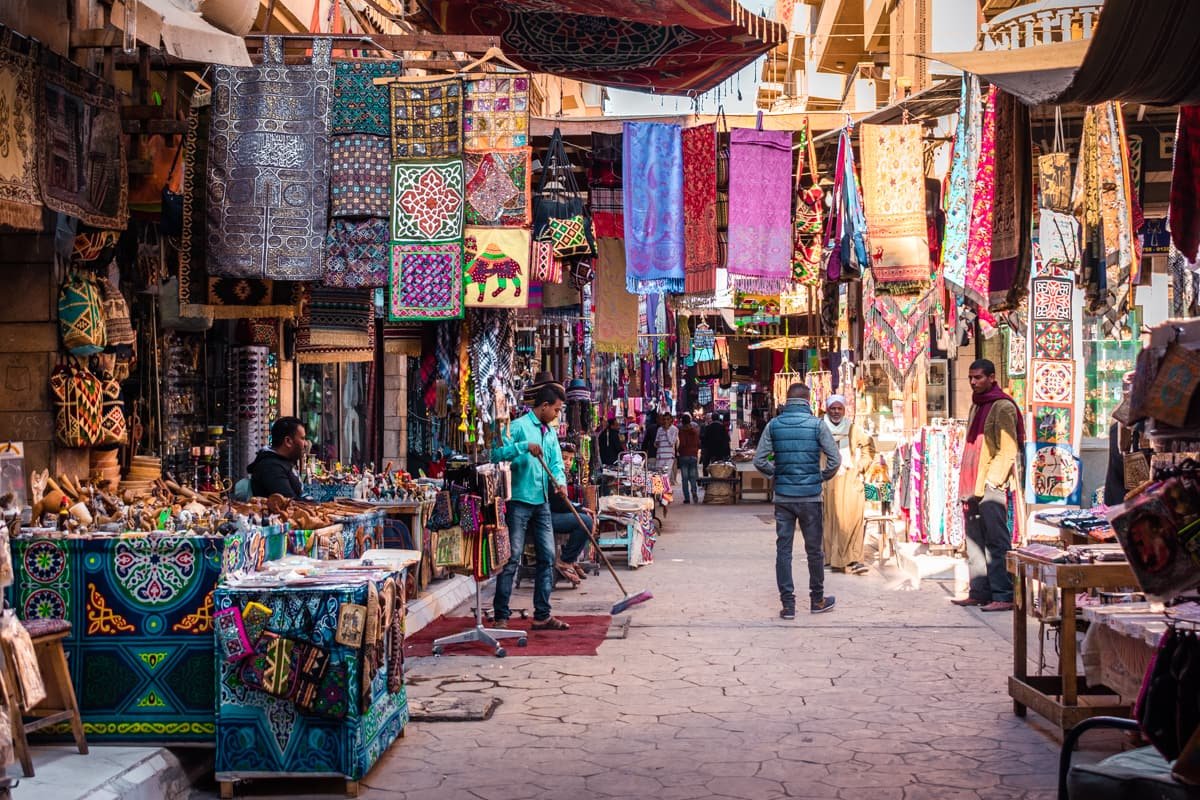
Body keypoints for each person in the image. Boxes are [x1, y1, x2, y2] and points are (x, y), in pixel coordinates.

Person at [753, 384, 840, 619]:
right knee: (814, 551)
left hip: (783, 498)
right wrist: (820, 478)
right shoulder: (817, 425)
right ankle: (817, 600)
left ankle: (788, 605)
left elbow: (759, 460)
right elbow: (835, 459)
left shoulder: (774, 425)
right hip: (811, 497)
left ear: (787, 400)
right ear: (808, 400)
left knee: (784, 551)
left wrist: (776, 474)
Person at [491, 378, 572, 631]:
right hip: (519, 502)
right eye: (556, 409)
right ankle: (501, 615)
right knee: (512, 558)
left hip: (543, 502)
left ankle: (543, 614)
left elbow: (556, 463)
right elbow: (495, 453)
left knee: (547, 557)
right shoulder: (518, 427)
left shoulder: (550, 434)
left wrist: (561, 483)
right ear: (544, 406)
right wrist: (524, 447)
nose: (557, 414)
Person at [953, 359, 1024, 613]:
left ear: (992, 378)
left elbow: (1008, 449)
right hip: (972, 481)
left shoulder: (1002, 406)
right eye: (971, 378)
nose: (973, 382)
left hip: (990, 483)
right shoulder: (977, 404)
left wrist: (993, 480)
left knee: (996, 540)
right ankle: (979, 591)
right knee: (974, 539)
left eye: (978, 378)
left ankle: (1003, 594)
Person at [822, 395, 876, 575]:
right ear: (827, 410)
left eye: (839, 408)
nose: (836, 412)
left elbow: (869, 448)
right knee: (831, 519)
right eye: (832, 409)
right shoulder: (821, 429)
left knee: (852, 518)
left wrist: (860, 467)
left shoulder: (853, 429)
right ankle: (831, 558)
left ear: (844, 410)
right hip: (828, 480)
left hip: (850, 478)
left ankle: (853, 558)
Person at [552, 445, 594, 584]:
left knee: (588, 519)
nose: (568, 462)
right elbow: (557, 504)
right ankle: (565, 561)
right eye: (564, 458)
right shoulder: (554, 473)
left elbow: (566, 501)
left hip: (556, 512)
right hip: (547, 516)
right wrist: (579, 510)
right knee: (585, 522)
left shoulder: (564, 475)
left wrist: (580, 508)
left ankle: (572, 559)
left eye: (570, 459)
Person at [247, 417, 307, 498]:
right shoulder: (271, 467)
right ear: (288, 441)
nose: (306, 444)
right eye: (302, 438)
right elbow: (290, 503)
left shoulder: (283, 462)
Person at [677, 413, 701, 504]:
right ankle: (694, 492)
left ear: (682, 422)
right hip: (693, 455)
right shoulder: (695, 431)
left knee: (685, 478)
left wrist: (678, 450)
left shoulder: (681, 431)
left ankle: (687, 498)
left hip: (684, 455)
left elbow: (682, 443)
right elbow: (698, 443)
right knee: (692, 476)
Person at [655, 412, 679, 485]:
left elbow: (672, 442)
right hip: (660, 456)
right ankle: (660, 493)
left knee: (666, 476)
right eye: (664, 419)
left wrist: (667, 431)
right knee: (659, 476)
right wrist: (657, 443)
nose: (666, 421)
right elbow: (656, 442)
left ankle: (665, 493)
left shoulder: (674, 429)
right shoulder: (659, 429)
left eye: (667, 419)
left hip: (668, 457)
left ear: (671, 420)